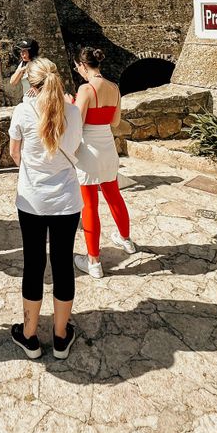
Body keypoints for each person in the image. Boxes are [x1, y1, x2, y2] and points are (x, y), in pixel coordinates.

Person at [8, 56, 83, 361]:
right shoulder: (73, 112)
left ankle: (29, 336)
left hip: (33, 200)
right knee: (63, 265)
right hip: (67, 200)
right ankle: (61, 336)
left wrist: (33, 170)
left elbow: (15, 154)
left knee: (34, 264)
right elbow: (74, 148)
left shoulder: (23, 111)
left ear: (31, 83)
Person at [72, 47, 136, 278]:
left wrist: (72, 103)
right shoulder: (115, 88)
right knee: (114, 195)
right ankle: (126, 239)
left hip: (88, 151)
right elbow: (115, 121)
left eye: (77, 67)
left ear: (83, 65)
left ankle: (94, 262)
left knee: (89, 204)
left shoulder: (85, 89)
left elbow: (77, 123)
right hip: (108, 148)